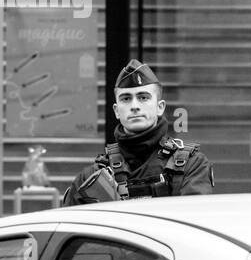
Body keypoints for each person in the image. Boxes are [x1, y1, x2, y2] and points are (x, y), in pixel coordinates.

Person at [63, 60, 214, 205]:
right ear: (116, 111)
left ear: (160, 107)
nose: (134, 106)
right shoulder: (92, 177)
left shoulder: (191, 165)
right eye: (126, 98)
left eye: (143, 97)